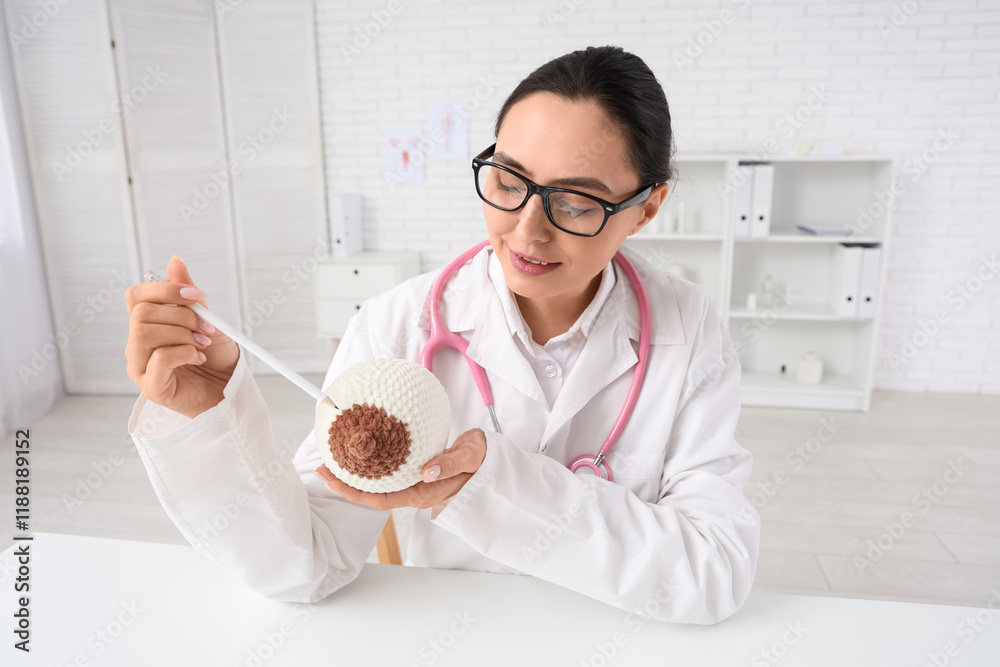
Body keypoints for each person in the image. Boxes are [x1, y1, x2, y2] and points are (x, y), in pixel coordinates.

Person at [124, 45, 759, 625]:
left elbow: (714, 571)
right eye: (509, 182)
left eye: (573, 202)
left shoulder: (687, 328)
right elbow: (306, 564)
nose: (527, 230)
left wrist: (499, 483)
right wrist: (211, 416)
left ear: (647, 207)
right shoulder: (397, 324)